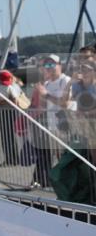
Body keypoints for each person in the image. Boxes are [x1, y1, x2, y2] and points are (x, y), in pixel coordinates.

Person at [33, 54, 74, 187]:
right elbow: (43, 107)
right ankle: (63, 184)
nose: (48, 67)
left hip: (68, 126)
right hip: (53, 126)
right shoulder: (46, 83)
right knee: (58, 156)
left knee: (68, 157)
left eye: (52, 64)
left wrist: (46, 94)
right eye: (46, 65)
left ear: (60, 66)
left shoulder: (66, 80)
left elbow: (65, 104)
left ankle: (70, 184)